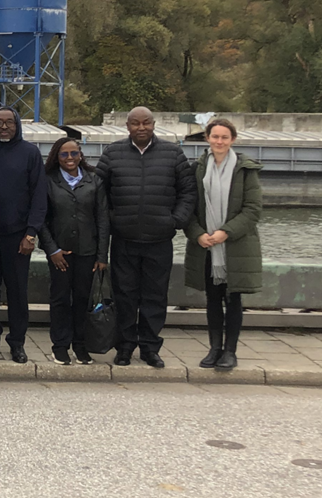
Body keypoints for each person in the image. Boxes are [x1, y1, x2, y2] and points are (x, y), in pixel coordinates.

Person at [96, 106, 195, 368]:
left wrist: (175, 221)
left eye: (146, 123)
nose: (142, 128)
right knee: (124, 295)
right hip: (124, 239)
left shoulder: (173, 153)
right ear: (127, 126)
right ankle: (125, 346)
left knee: (155, 297)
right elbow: (99, 194)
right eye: (136, 123)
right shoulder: (112, 153)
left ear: (154, 124)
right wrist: (113, 221)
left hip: (159, 239)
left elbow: (188, 191)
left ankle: (150, 347)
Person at [184, 118, 263, 371]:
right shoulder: (197, 168)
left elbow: (253, 210)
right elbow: (188, 207)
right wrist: (198, 234)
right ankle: (214, 348)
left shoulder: (245, 169)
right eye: (215, 136)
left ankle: (230, 351)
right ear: (207, 138)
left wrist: (225, 233)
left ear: (233, 140)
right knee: (213, 299)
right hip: (206, 246)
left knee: (234, 299)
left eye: (224, 137)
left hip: (235, 246)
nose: (219, 141)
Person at [0, 107, 47, 363]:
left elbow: (39, 195)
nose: (4, 127)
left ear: (17, 125)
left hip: (17, 236)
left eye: (9, 122)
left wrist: (31, 233)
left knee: (17, 293)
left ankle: (17, 342)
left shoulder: (30, 153)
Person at [38, 137, 109, 366]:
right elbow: (41, 219)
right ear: (56, 157)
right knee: (60, 299)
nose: (70, 159)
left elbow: (103, 219)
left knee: (82, 299)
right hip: (60, 253)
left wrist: (101, 256)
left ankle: (80, 345)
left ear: (81, 155)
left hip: (87, 251)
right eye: (64, 155)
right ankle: (60, 346)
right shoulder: (48, 181)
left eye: (74, 154)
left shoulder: (94, 180)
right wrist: (52, 250)